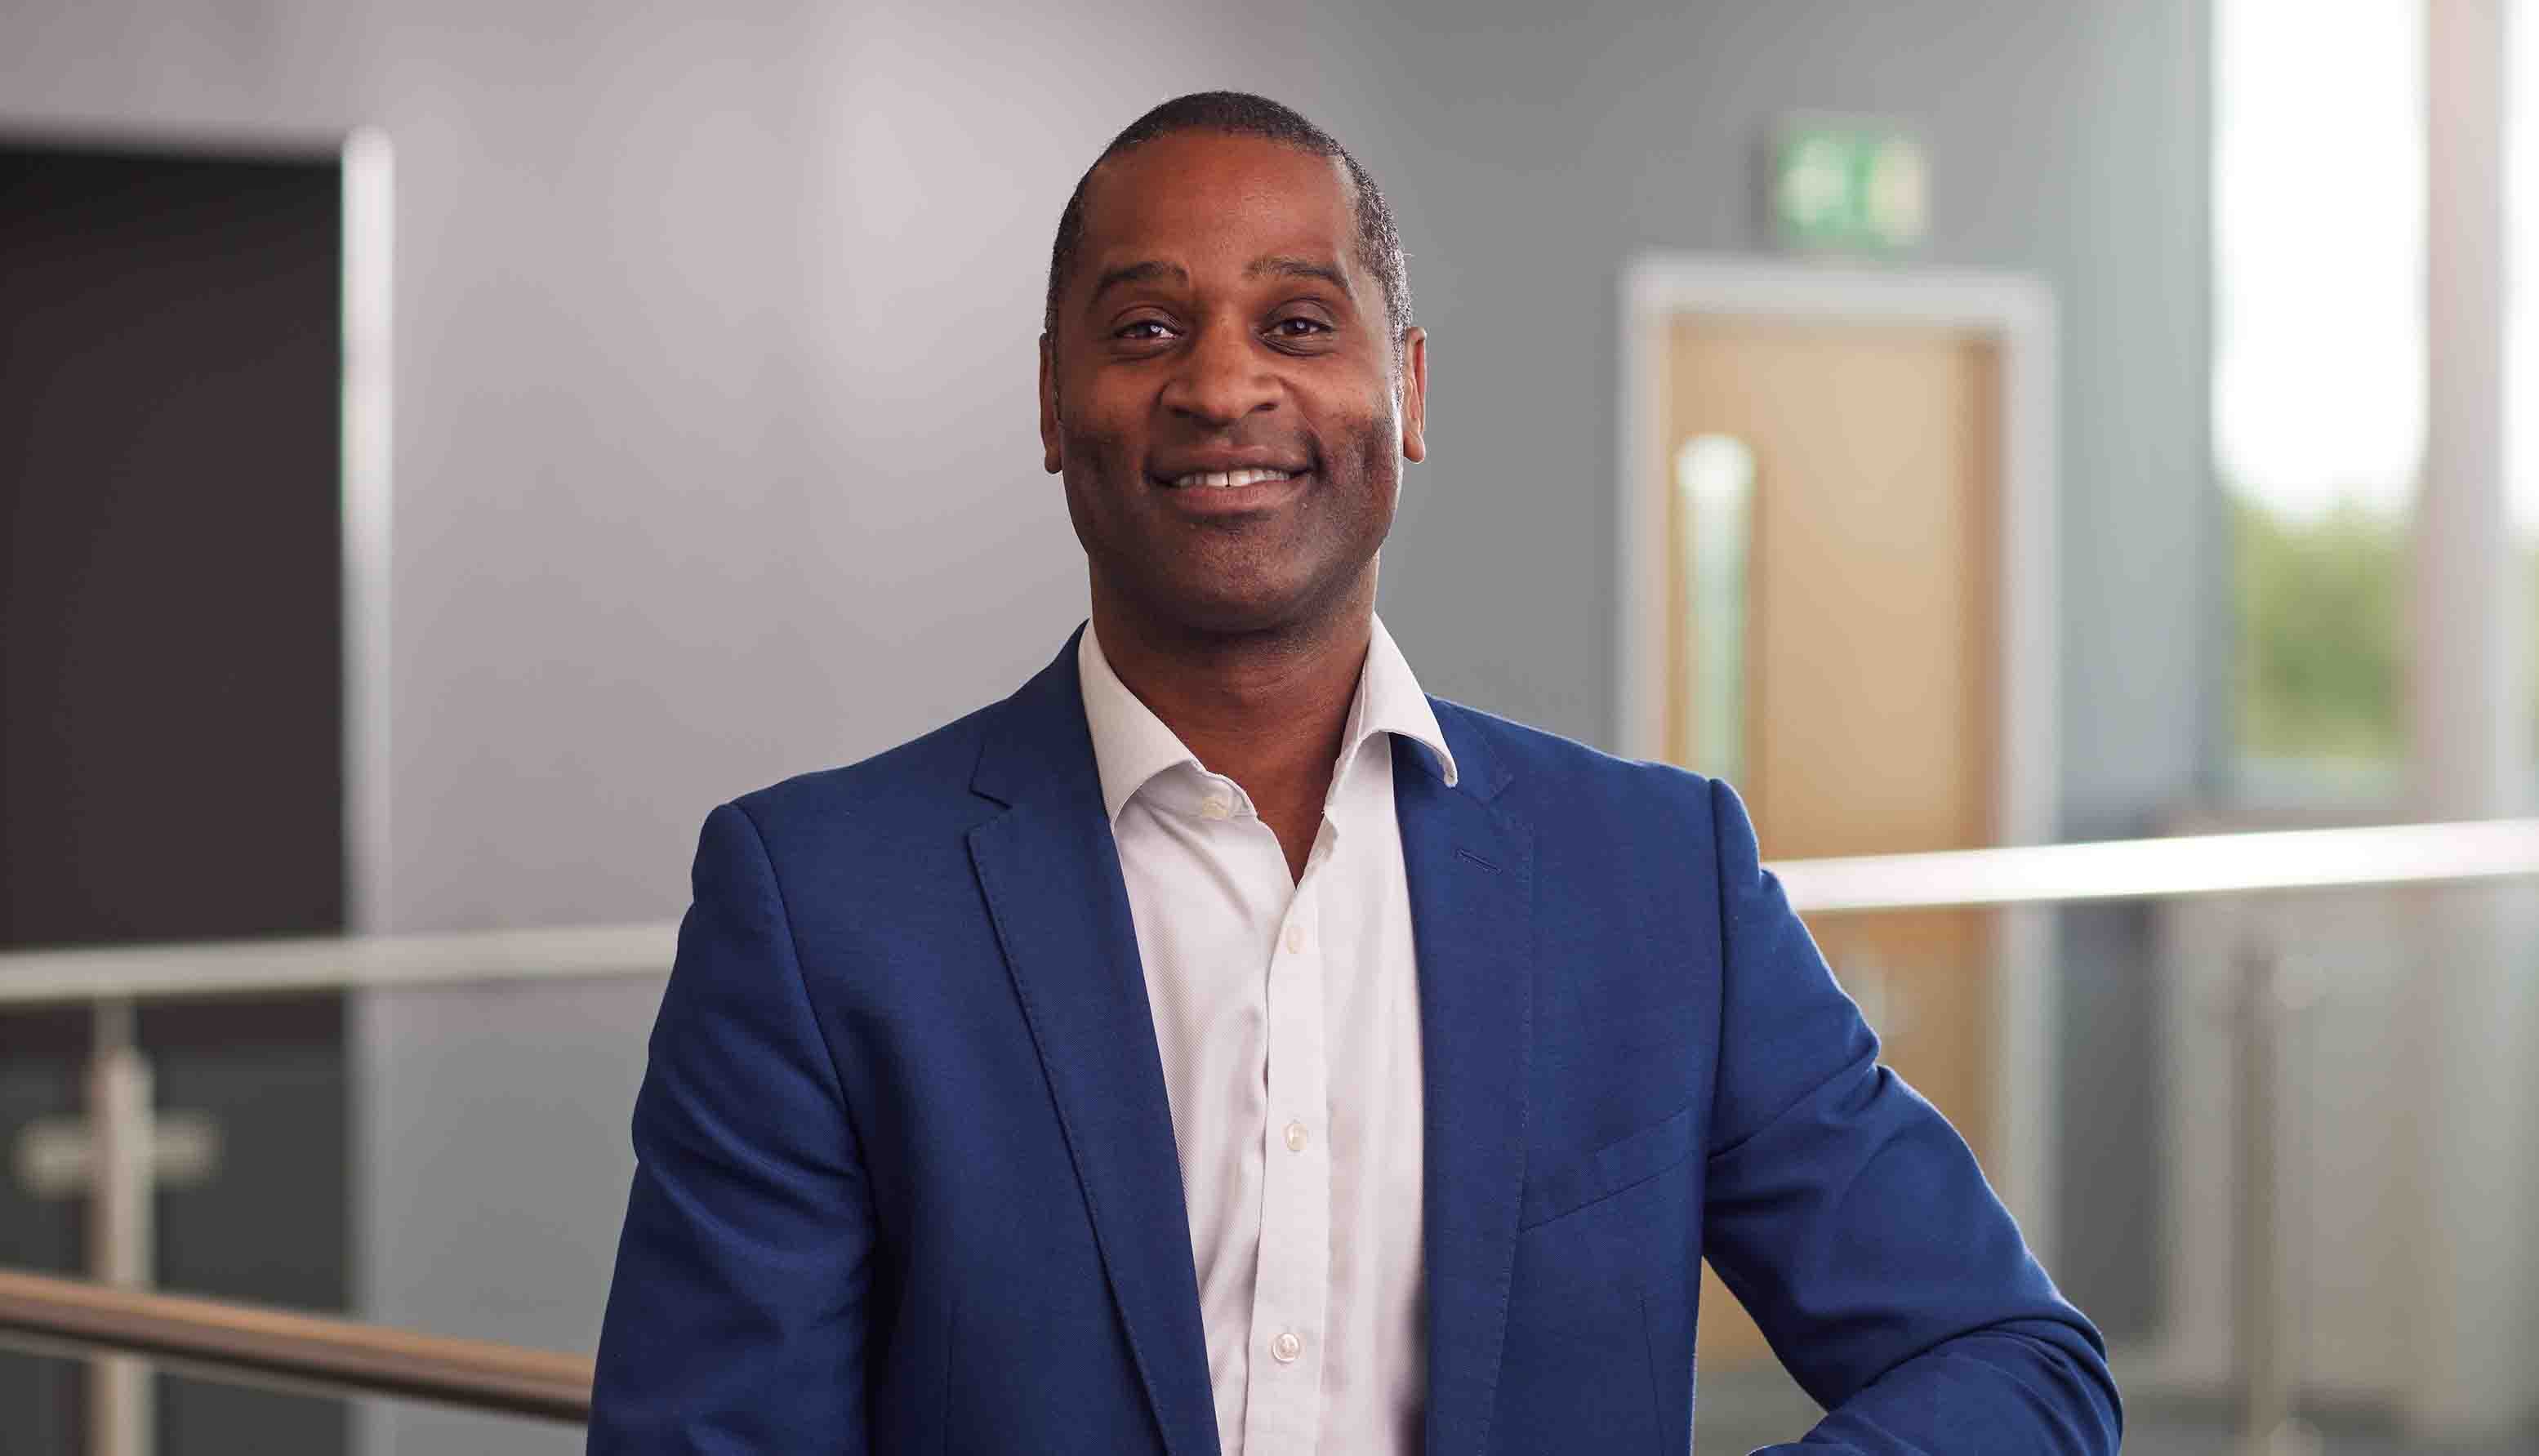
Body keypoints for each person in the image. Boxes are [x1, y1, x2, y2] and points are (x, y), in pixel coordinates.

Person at [588, 91, 2120, 1455]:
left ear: (1409, 392)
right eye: (1143, 329)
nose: (1221, 386)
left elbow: (2005, 1361)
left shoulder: (1656, 882)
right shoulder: (824, 904)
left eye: (1300, 325)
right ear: (1053, 404)